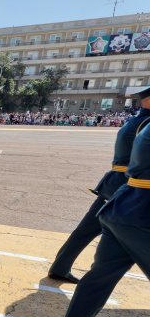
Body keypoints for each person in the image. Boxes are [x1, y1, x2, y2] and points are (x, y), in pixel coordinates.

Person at [56, 120, 150, 317]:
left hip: (123, 207)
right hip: (142, 215)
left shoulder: (145, 124)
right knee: (100, 276)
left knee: (100, 277)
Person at [47, 88, 150, 284]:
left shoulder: (135, 121)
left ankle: (59, 267)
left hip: (114, 181)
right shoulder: (147, 123)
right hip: (131, 184)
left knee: (86, 230)